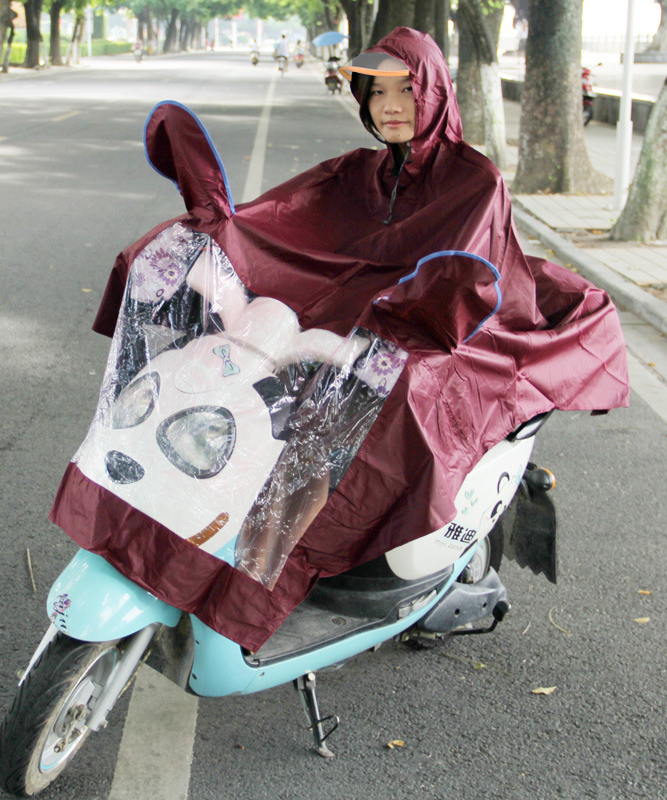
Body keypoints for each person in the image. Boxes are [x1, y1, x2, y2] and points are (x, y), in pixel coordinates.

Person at [56, 27, 628, 649]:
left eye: (405, 90)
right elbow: (277, 223)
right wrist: (215, 239)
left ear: (433, 91)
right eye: (375, 91)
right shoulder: (355, 172)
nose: (389, 106)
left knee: (360, 410)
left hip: (452, 338)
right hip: (357, 325)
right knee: (244, 375)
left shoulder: (475, 182)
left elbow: (469, 275)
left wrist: (397, 320)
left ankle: (266, 579)